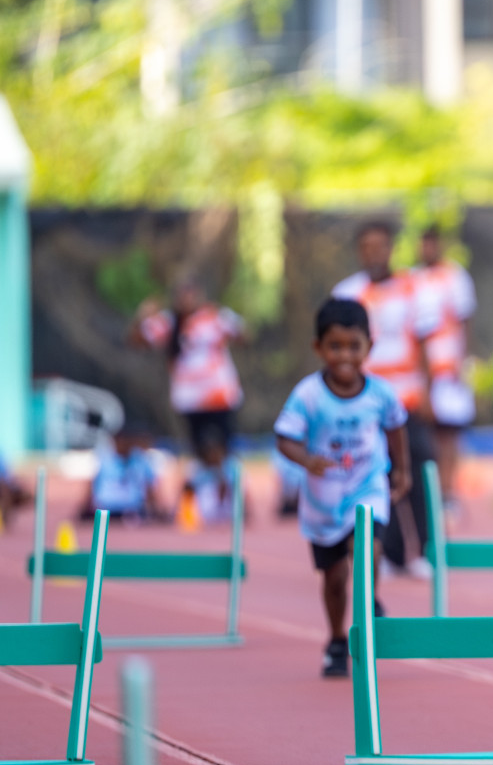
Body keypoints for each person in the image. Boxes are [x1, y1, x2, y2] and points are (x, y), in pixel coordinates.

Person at [275, 298, 410, 679]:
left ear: (369, 346)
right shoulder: (308, 395)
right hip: (323, 499)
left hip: (367, 486)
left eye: (354, 346)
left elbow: (396, 427)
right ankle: (336, 639)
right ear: (319, 348)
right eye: (335, 347)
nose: (345, 356)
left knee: (367, 546)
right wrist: (306, 459)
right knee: (334, 578)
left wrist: (401, 470)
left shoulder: (380, 393)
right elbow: (284, 438)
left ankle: (368, 600)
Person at [334, 221, 439, 578]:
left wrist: (428, 389)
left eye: (380, 245)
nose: (374, 253)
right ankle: (393, 553)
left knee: (421, 470)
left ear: (391, 248)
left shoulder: (414, 287)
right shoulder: (347, 293)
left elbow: (424, 341)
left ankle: (425, 550)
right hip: (369, 403)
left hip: (408, 398)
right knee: (380, 474)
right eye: (367, 246)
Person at [129, 281, 247, 456]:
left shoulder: (214, 317)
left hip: (219, 394)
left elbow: (243, 337)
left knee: (226, 447)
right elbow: (138, 341)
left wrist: (234, 324)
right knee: (198, 449)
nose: (187, 300)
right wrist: (142, 317)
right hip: (191, 398)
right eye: (183, 295)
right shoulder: (169, 322)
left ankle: (228, 480)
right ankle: (204, 481)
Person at [413, 225, 478, 507]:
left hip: (448, 369)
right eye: (422, 244)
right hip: (421, 372)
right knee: (426, 433)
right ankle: (429, 492)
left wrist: (462, 363)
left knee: (449, 433)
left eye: (431, 244)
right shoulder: (411, 278)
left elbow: (465, 321)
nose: (427, 249)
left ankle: (449, 491)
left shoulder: (455, 276)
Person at [80, 426, 165, 522]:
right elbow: (93, 486)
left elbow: (150, 487)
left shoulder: (140, 460)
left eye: (125, 441)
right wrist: (84, 510)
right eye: (119, 441)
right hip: (107, 509)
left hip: (132, 510)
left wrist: (158, 511)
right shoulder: (104, 460)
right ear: (114, 441)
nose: (122, 444)